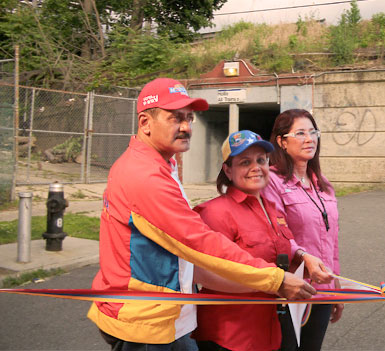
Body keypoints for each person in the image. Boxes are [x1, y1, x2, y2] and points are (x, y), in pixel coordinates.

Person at [87, 78, 316, 350]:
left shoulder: (161, 164)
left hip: (166, 317)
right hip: (145, 323)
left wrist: (298, 258)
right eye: (175, 118)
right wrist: (275, 280)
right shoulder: (145, 175)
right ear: (145, 123)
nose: (185, 126)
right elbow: (200, 243)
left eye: (189, 118)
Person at [191, 130, 333, 351]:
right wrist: (276, 285)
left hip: (274, 328)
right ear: (228, 170)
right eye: (245, 162)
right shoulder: (214, 212)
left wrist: (305, 261)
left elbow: (280, 257)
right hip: (232, 335)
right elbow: (206, 276)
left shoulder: (273, 209)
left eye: (261, 160)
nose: (256, 167)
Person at [261, 109, 343, 351]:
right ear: (282, 141)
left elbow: (333, 239)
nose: (310, 139)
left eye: (313, 132)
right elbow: (276, 233)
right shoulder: (271, 182)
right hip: (292, 289)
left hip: (324, 290)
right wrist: (303, 257)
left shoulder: (323, 184)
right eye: (300, 133)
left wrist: (337, 285)